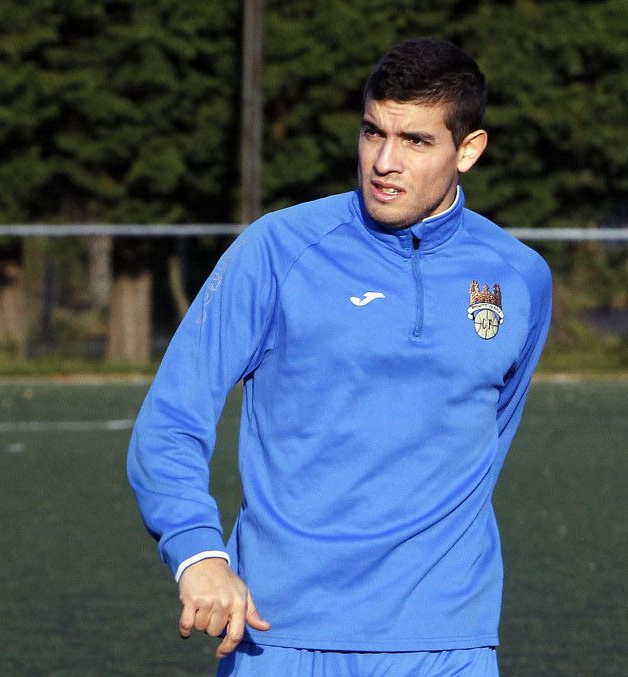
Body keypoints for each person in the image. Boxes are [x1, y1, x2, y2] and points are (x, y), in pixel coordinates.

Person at [127, 38, 551, 676]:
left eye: (415, 141)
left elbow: (490, 438)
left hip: (446, 642)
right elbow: (171, 421)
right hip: (281, 636)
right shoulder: (277, 249)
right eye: (372, 131)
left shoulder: (519, 277)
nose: (384, 160)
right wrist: (198, 555)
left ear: (468, 150)